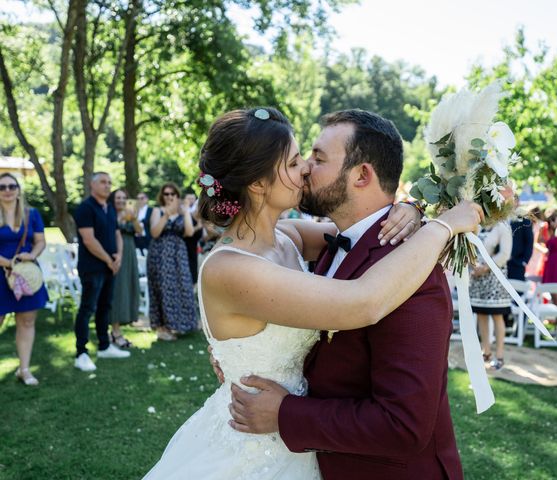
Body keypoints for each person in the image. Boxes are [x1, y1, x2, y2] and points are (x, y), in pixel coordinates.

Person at [143, 107, 482, 480]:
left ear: (361, 174)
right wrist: (442, 227)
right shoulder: (233, 267)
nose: (304, 168)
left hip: (310, 449)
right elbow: (364, 300)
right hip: (252, 447)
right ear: (258, 183)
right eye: (294, 161)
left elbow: (363, 238)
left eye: (314, 158)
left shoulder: (290, 238)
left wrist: (414, 210)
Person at [74, 172, 131, 372]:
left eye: (109, 182)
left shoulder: (109, 209)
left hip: (109, 267)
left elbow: (117, 233)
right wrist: (109, 260)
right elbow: (89, 240)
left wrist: (119, 257)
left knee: (105, 307)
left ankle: (104, 346)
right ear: (92, 185)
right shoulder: (85, 208)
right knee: (87, 308)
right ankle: (81, 353)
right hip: (92, 268)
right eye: (103, 182)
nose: (107, 186)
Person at [0, 173, 49, 386]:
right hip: (2, 273)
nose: (8, 190)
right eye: (2, 187)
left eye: (12, 186)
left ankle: (24, 369)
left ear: (19, 190)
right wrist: (8, 264)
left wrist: (32, 255)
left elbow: (40, 241)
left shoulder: (32, 214)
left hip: (28, 274)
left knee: (27, 321)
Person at [147, 182, 198, 341]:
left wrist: (187, 212)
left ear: (177, 196)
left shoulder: (183, 213)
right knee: (162, 288)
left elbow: (189, 232)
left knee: (182, 286)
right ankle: (163, 328)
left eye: (172, 194)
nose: (169, 197)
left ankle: (180, 324)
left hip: (178, 254)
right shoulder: (157, 210)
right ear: (162, 196)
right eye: (166, 194)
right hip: (160, 254)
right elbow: (154, 233)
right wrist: (166, 215)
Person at [469, 222, 513, 370]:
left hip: (495, 276)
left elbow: (505, 253)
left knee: (497, 315)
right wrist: (473, 264)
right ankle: (485, 351)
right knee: (481, 313)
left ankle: (499, 355)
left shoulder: (503, 227)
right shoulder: (478, 224)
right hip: (477, 275)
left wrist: (486, 267)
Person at [107, 188, 141, 347]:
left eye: (123, 198)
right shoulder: (109, 213)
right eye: (117, 197)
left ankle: (117, 328)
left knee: (127, 289)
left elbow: (140, 232)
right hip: (116, 252)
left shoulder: (130, 214)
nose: (120, 200)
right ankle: (115, 331)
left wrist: (134, 219)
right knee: (117, 290)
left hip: (129, 253)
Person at [507, 212, 533, 281]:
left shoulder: (524, 219)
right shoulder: (498, 218)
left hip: (517, 263)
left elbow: (529, 241)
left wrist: (524, 261)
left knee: (517, 290)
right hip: (499, 265)